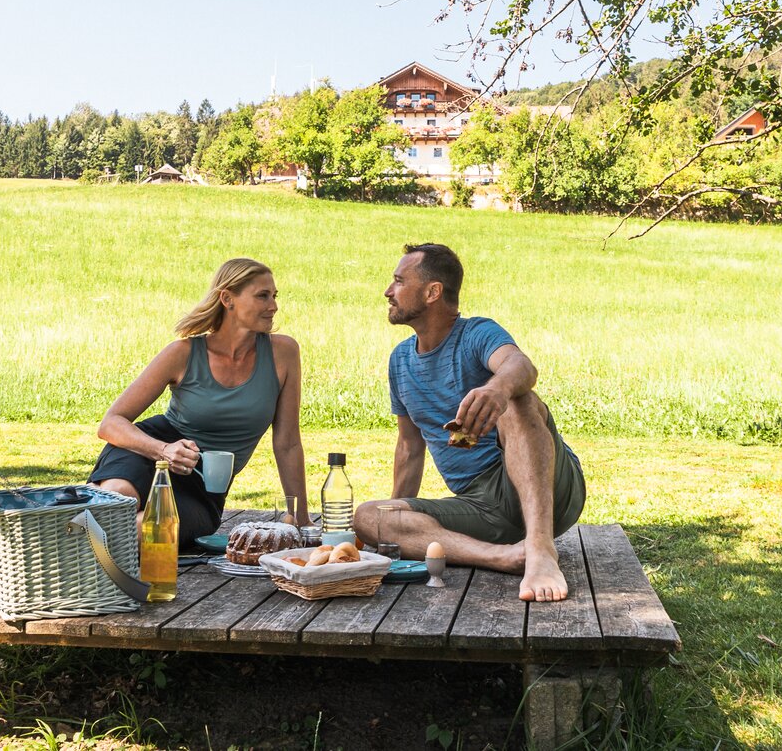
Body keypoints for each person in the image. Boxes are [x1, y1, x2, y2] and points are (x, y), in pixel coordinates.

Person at [353, 243, 585, 602]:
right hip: (480, 508)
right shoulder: (400, 360)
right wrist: (391, 531)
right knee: (369, 516)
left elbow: (521, 366)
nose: (388, 291)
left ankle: (540, 549)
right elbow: (409, 448)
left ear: (433, 292)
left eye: (399, 281)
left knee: (518, 400)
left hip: (548, 486)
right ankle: (506, 556)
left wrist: (497, 389)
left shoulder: (475, 333)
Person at [89, 257, 308, 547]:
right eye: (262, 296)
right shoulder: (183, 353)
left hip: (203, 489)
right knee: (119, 498)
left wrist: (302, 520)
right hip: (151, 454)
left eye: (274, 296)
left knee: (147, 529)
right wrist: (164, 450)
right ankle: (88, 507)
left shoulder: (283, 353)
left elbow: (288, 442)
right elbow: (110, 423)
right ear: (227, 299)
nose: (273, 305)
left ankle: (84, 509)